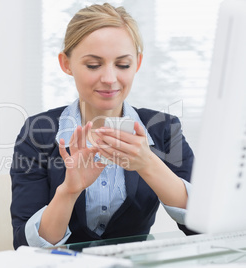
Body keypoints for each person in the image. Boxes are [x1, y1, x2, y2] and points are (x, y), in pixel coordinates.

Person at [10, 3, 195, 249]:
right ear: (66, 64)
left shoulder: (163, 129)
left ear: (138, 63)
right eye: (93, 65)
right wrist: (69, 191)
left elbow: (203, 225)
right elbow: (25, 245)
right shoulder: (37, 132)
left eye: (123, 65)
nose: (109, 79)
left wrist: (148, 163)